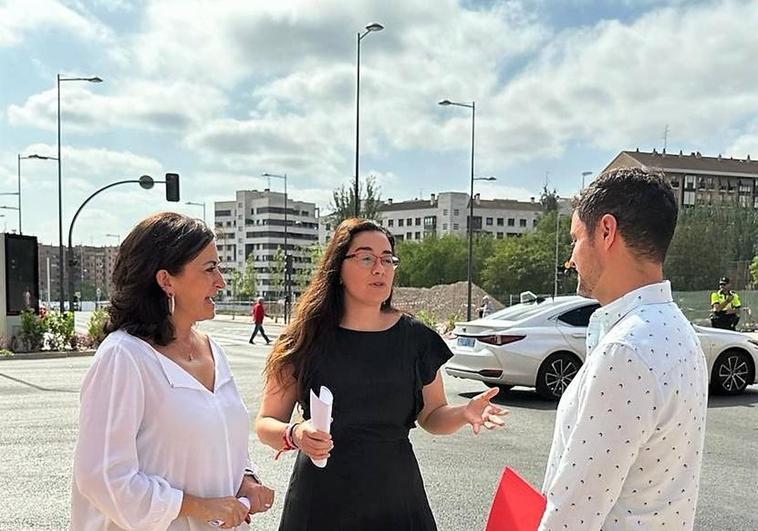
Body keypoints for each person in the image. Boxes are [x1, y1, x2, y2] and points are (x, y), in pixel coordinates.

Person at [254, 218, 507, 531]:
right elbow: (265, 424)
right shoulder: (304, 339)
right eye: (366, 258)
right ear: (338, 269)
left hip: (396, 499)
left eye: (388, 259)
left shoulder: (416, 339)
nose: (380, 268)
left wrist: (464, 413)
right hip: (320, 501)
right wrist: (295, 435)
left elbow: (432, 415)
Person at [71, 212, 274, 531]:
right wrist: (196, 506)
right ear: (166, 280)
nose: (220, 281)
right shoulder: (124, 357)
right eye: (210, 269)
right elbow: (102, 477)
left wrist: (245, 480)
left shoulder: (214, 351)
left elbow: (221, 441)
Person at [538, 168, 709, 531]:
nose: (572, 258)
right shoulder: (679, 331)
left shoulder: (626, 352)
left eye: (575, 239)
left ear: (605, 231)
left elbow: (572, 516)